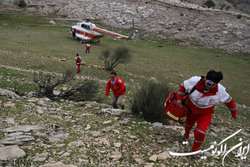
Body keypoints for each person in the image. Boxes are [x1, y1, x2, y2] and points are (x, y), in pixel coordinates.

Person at [176, 70, 237, 153]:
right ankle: (186, 136)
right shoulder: (194, 81)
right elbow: (183, 86)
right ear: (205, 79)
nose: (210, 86)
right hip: (191, 109)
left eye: (213, 84)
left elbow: (229, 102)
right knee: (188, 124)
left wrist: (234, 113)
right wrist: (179, 99)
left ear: (217, 84)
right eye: (208, 82)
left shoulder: (220, 91)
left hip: (205, 114)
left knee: (201, 132)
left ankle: (194, 150)